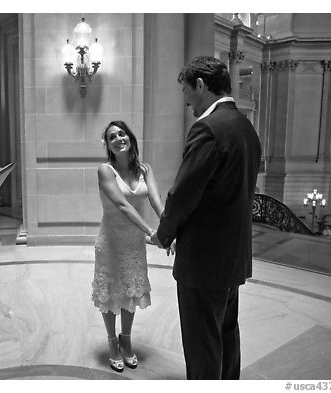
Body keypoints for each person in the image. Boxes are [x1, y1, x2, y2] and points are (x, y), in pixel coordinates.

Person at [151, 56, 262, 379]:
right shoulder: (245, 128)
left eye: (186, 92)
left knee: (202, 346)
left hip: (204, 262)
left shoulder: (209, 129)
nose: (186, 101)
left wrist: (163, 234)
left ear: (200, 85)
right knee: (226, 334)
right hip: (232, 257)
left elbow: (183, 193)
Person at [92, 120, 166, 372]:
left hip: (134, 242)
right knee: (111, 292)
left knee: (131, 291)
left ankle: (126, 339)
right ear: (109, 146)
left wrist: (168, 231)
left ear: (131, 138)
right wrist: (150, 231)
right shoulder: (105, 170)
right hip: (111, 240)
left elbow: (157, 201)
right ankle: (112, 342)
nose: (118, 139)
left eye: (122, 134)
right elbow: (123, 205)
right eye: (112, 137)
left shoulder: (145, 169)